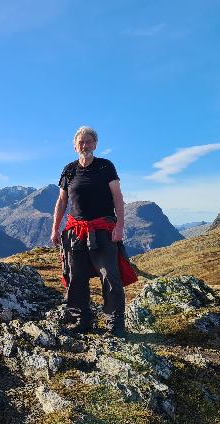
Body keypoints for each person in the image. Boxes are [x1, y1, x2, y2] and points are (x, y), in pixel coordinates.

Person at [50, 126, 137, 336]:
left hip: (103, 229)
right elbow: (62, 201)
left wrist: (120, 226)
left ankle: (115, 325)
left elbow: (118, 197)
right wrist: (55, 229)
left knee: (109, 275)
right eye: (81, 142)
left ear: (95, 144)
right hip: (76, 231)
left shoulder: (105, 167)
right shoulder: (69, 170)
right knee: (76, 275)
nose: (85, 145)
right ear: (75, 146)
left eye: (89, 141)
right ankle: (83, 320)